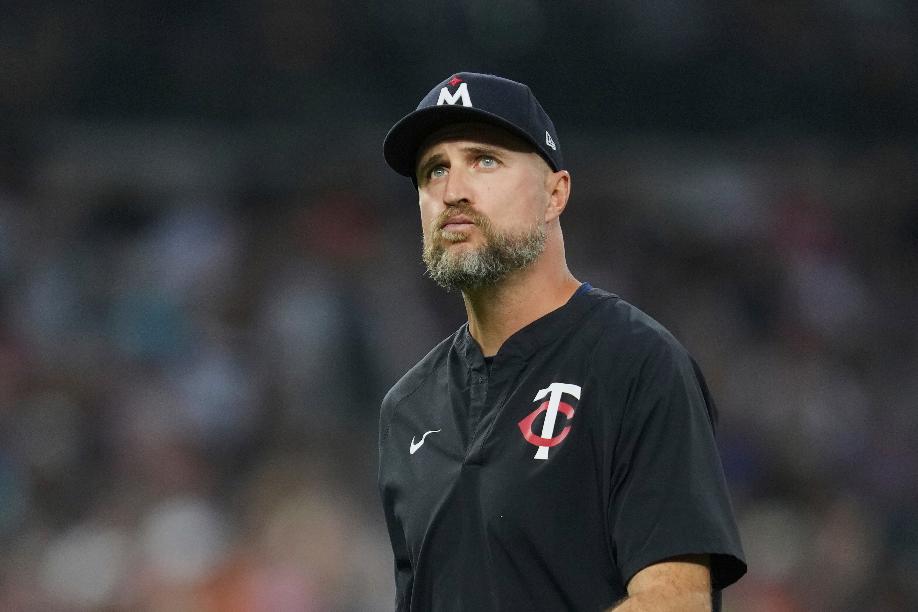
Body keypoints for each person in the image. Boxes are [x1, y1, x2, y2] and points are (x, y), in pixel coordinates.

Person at [378, 72, 746, 612]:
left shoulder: (636, 363)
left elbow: (675, 602)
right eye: (434, 169)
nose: (452, 191)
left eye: (484, 160)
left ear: (556, 193)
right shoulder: (407, 408)